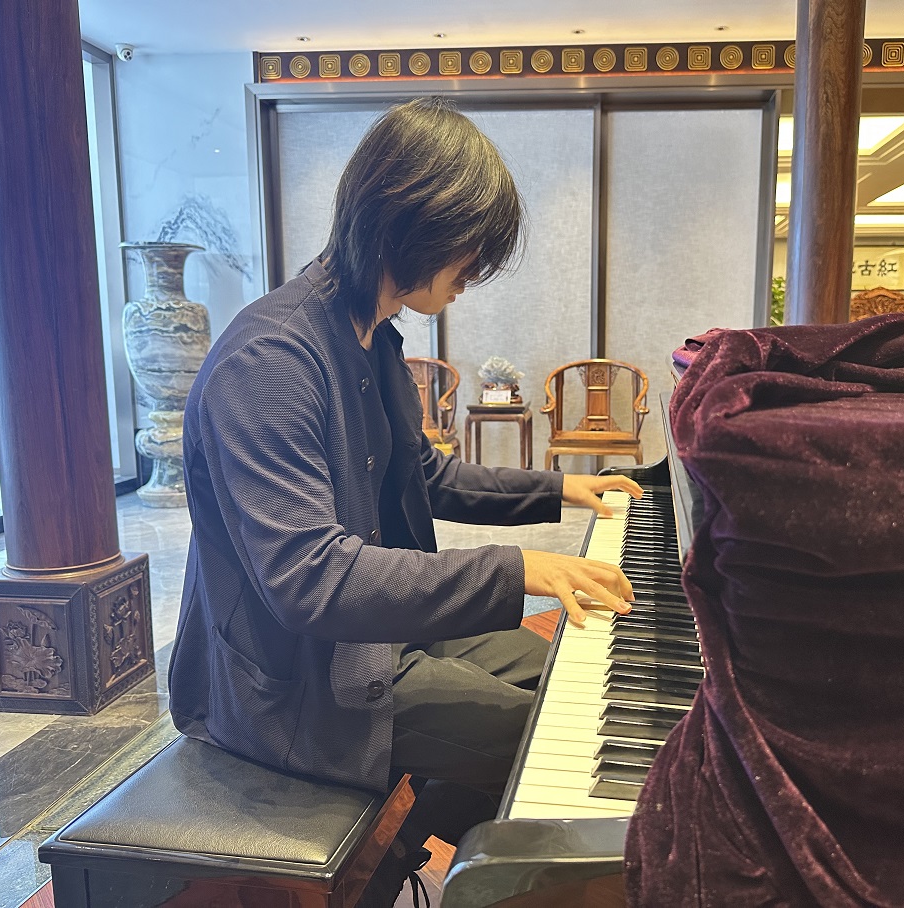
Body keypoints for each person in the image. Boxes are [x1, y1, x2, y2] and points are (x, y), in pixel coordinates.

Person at [167, 96, 640, 905]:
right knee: (558, 740)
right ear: (411, 222)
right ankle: (479, 860)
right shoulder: (268, 362)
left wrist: (563, 488)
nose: (475, 271)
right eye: (471, 247)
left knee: (578, 678)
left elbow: (428, 476)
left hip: (381, 636)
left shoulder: (372, 337)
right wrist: (515, 570)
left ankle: (438, 836)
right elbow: (311, 581)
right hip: (297, 684)